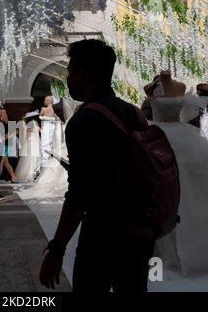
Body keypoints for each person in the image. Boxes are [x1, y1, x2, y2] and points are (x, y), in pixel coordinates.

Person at [39, 39, 155, 293]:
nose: (68, 78)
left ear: (84, 74)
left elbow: (79, 195)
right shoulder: (134, 113)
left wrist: (56, 249)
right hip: (139, 232)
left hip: (102, 235)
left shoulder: (84, 121)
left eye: (70, 71)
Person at [144, 73, 208, 275]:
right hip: (161, 136)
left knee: (190, 193)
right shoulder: (151, 87)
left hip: (181, 137)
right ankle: (163, 249)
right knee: (164, 191)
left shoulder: (181, 86)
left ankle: (192, 247)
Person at [15, 112, 42, 183]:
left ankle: (31, 173)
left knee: (29, 158)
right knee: (34, 157)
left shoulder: (29, 124)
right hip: (35, 142)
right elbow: (40, 131)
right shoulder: (35, 123)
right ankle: (34, 173)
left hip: (30, 142)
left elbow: (27, 134)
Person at [40, 96, 58, 168]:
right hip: (52, 127)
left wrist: (43, 117)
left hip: (46, 126)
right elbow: (57, 118)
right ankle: (50, 160)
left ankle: (45, 162)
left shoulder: (43, 109)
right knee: (51, 143)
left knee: (44, 143)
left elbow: (40, 116)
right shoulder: (54, 109)